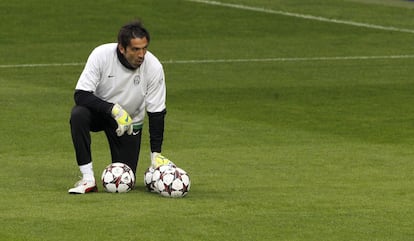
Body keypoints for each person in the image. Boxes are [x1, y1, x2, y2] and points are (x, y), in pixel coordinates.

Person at [68, 20, 169, 194]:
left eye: (144, 48)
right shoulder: (101, 55)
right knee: (78, 114)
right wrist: (114, 110)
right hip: (100, 113)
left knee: (125, 181)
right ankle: (87, 179)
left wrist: (156, 154)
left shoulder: (154, 67)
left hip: (129, 123)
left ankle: (152, 174)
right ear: (122, 48)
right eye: (135, 49)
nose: (141, 54)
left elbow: (157, 113)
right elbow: (81, 95)